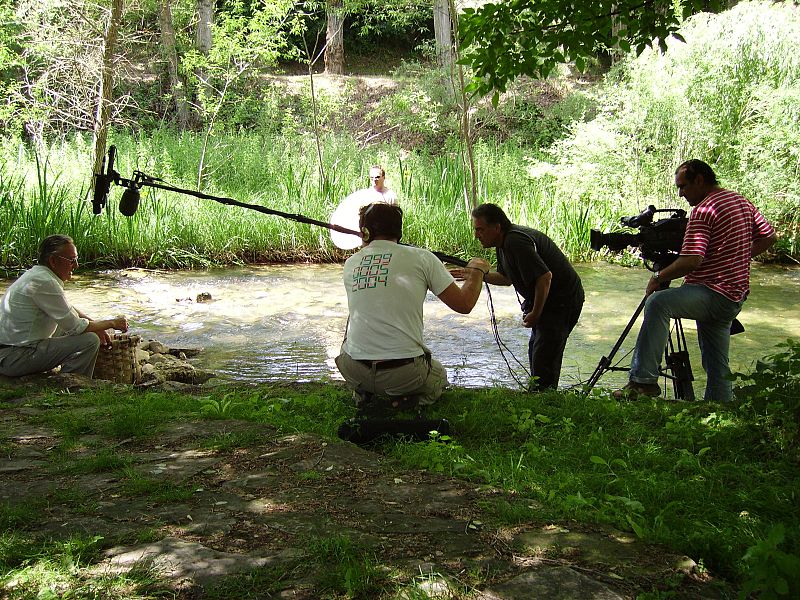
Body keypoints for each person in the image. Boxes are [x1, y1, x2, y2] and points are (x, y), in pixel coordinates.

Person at [615, 159, 776, 402]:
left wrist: (658, 277)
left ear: (699, 180)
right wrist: (738, 257)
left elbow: (691, 260)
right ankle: (720, 407)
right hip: (733, 297)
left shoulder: (703, 210)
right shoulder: (740, 201)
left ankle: (643, 382)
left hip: (711, 293)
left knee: (659, 303)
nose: (681, 194)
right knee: (715, 361)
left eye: (683, 187)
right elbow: (769, 236)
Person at [335, 203, 489, 414]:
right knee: (439, 376)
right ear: (398, 229)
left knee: (352, 320)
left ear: (365, 231)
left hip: (354, 370)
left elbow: (382, 281)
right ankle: (403, 402)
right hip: (404, 374)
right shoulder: (422, 258)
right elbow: (464, 304)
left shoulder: (351, 263)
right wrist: (477, 270)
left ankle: (367, 394)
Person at [465, 203, 584, 391]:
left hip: (562, 301)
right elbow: (506, 279)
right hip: (549, 301)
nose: (476, 235)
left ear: (497, 227)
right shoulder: (502, 242)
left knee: (544, 356)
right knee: (537, 352)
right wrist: (478, 275)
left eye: (480, 229)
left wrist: (536, 313)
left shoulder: (515, 241)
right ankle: (540, 395)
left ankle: (544, 401)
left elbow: (545, 277)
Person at [0, 234, 129, 378]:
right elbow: (76, 327)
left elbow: (67, 310)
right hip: (13, 358)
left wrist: (95, 324)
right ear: (53, 261)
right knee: (89, 341)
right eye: (72, 260)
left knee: (67, 327)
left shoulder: (38, 275)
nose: (76, 265)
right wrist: (111, 323)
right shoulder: (45, 282)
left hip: (11, 352)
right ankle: (70, 383)